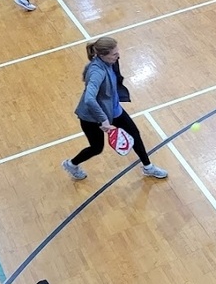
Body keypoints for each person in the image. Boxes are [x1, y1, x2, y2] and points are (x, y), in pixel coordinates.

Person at [62, 37, 169, 181]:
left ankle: (148, 167)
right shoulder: (96, 72)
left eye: (117, 51)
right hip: (92, 118)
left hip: (114, 110)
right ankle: (71, 164)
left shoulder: (111, 61)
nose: (118, 55)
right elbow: (89, 99)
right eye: (114, 54)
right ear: (102, 55)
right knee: (96, 148)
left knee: (134, 134)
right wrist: (104, 120)